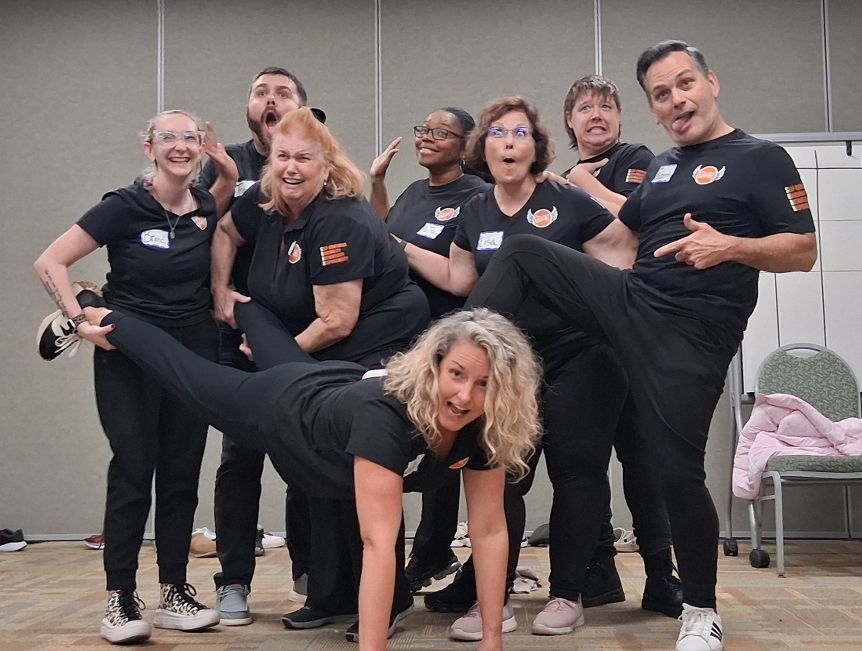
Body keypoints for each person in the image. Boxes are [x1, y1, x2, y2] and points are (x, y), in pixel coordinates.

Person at [464, 41, 817, 651]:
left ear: (711, 82)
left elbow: (803, 250)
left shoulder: (761, 158)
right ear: (653, 109)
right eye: (661, 94)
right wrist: (554, 190)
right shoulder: (664, 167)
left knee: (673, 470)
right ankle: (438, 366)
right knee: (523, 252)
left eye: (685, 84)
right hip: (634, 300)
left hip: (692, 334)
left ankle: (700, 610)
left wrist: (730, 247)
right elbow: (617, 234)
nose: (676, 100)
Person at [74, 302, 543, 651]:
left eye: (485, 385)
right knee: (190, 376)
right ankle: (103, 314)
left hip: (335, 382)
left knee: (286, 356)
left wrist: (492, 642)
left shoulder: (485, 426)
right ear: (435, 365)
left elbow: (488, 530)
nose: (465, 396)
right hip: (283, 411)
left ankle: (243, 304)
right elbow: (379, 545)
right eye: (457, 374)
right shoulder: (387, 420)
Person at [400, 96, 637, 639]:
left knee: (576, 473)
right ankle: (494, 599)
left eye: (520, 134)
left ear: (537, 147)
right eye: (498, 134)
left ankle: (568, 594)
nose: (508, 142)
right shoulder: (474, 210)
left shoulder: (566, 199)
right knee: (501, 479)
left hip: (580, 358)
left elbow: (623, 255)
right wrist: (397, 245)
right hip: (508, 370)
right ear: (483, 149)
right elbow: (461, 280)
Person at [212, 106, 431, 635]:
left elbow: (336, 320)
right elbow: (224, 231)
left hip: (373, 341)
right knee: (313, 460)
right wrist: (220, 289)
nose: (291, 168)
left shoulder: (339, 219)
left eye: (304, 159)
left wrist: (277, 359)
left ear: (326, 163)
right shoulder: (265, 204)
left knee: (357, 464)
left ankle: (389, 599)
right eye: (282, 156)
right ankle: (331, 592)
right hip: (320, 344)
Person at [33, 110, 222, 644]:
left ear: (201, 148)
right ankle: (120, 598)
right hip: (129, 352)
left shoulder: (206, 206)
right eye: (169, 138)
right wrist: (78, 320)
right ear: (149, 148)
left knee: (181, 473)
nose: (180, 146)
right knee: (134, 470)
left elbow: (226, 197)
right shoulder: (123, 205)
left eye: (190, 138)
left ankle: (175, 591)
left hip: (190, 352)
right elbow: (50, 262)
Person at [560, 75, 681, 617]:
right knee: (585, 462)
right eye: (585, 108)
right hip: (584, 341)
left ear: (620, 117)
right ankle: (600, 570)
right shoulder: (563, 178)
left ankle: (661, 576)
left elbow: (634, 223)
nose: (596, 115)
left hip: (633, 333)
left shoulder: (636, 159)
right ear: (570, 121)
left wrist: (582, 182)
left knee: (641, 458)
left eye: (606, 107)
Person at [198, 66, 315, 626]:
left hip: (302, 335)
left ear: (302, 109)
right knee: (240, 457)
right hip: (234, 332)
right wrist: (221, 289)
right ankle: (234, 580)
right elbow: (200, 229)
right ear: (249, 107)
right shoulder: (226, 165)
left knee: (304, 455)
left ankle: (312, 572)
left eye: (283, 93)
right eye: (261, 93)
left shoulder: (314, 161)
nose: (271, 100)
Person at [369, 107, 491, 593]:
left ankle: (432, 552)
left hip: (453, 341)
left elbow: (464, 271)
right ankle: (419, 555)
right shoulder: (413, 192)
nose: (427, 138)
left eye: (442, 133)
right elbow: (381, 231)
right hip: (405, 340)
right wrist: (378, 182)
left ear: (465, 146)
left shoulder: (476, 194)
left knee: (447, 450)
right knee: (409, 447)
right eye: (424, 130)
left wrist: (401, 244)